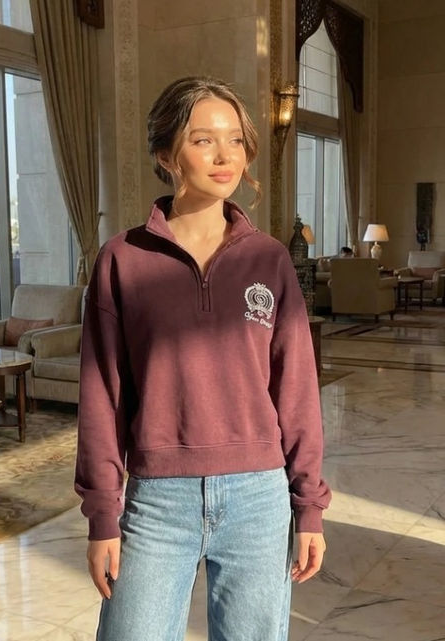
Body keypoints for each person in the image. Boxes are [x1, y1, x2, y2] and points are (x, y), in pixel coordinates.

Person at [76, 76, 331, 641]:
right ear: (166, 155)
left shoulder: (269, 260)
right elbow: (102, 396)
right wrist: (102, 515)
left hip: (259, 499)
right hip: (157, 501)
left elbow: (296, 391)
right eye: (203, 140)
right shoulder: (122, 260)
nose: (225, 156)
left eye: (235, 140)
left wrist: (308, 505)